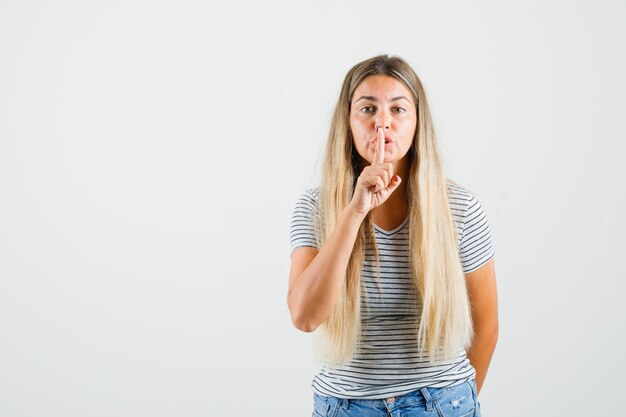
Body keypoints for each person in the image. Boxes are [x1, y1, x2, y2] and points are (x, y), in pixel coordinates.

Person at [288, 55, 498, 417]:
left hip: (442, 403)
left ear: (417, 123)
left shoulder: (459, 208)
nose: (382, 122)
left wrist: (451, 405)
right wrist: (354, 211)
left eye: (398, 109)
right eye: (367, 108)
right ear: (348, 123)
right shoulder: (316, 207)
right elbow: (305, 316)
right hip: (345, 406)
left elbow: (487, 327)